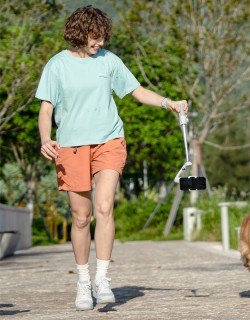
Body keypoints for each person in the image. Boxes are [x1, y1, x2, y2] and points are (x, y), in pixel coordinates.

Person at [36, 6, 189, 311]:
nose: (100, 43)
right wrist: (45, 139)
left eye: (103, 37)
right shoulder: (57, 65)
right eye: (95, 37)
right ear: (80, 33)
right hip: (71, 146)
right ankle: (83, 281)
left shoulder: (109, 62)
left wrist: (167, 103)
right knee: (81, 217)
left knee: (105, 206)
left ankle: (102, 278)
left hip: (109, 140)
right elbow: (46, 109)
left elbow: (137, 91)